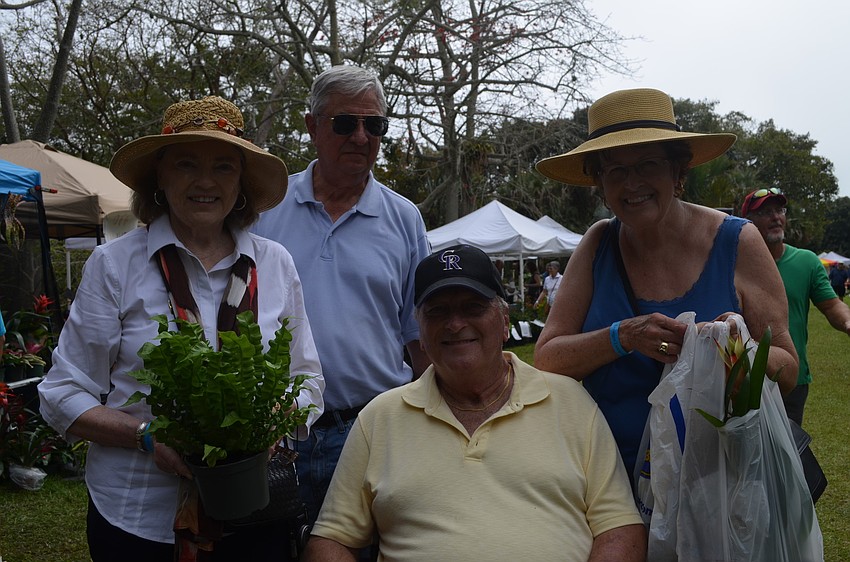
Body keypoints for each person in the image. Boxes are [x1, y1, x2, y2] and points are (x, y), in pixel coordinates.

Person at [37, 96, 325, 561]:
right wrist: (146, 435)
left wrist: (271, 424)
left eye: (223, 167)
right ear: (160, 177)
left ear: (241, 183)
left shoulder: (275, 264)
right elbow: (62, 393)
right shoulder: (115, 265)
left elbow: (307, 380)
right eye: (186, 164)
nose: (205, 182)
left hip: (256, 517)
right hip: (138, 517)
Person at [304, 245, 647, 562]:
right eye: (438, 311)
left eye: (473, 307)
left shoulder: (570, 402)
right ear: (420, 333)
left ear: (505, 322)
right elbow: (330, 540)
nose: (455, 324)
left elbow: (620, 528)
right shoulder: (379, 418)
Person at [533, 88, 798, 475]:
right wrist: (623, 335)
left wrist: (732, 350)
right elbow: (547, 358)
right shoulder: (598, 244)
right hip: (611, 484)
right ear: (600, 183)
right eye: (615, 170)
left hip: (718, 485)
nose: (631, 183)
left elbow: (787, 371)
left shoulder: (738, 241)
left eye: (647, 165)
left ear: (677, 170)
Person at [252, 65, 431, 526]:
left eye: (374, 125)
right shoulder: (265, 210)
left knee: (367, 548)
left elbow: (420, 335)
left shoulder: (404, 219)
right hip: (275, 435)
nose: (360, 136)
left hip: (372, 428)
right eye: (345, 123)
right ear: (312, 126)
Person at [740, 187, 850, 426]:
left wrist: (847, 321)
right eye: (765, 212)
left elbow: (832, 305)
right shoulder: (734, 264)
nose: (775, 217)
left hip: (792, 379)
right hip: (742, 378)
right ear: (747, 221)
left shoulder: (806, 261)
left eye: (780, 210)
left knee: (788, 446)